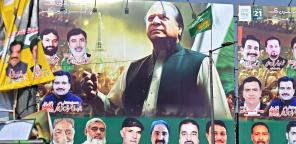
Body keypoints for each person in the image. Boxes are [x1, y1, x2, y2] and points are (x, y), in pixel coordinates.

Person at [85, 2, 230, 118]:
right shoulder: (133, 68)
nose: (155, 21)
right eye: (150, 18)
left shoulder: (201, 64)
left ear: (179, 28)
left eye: (163, 17)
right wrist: (95, 96)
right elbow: (112, 109)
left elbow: (220, 119)